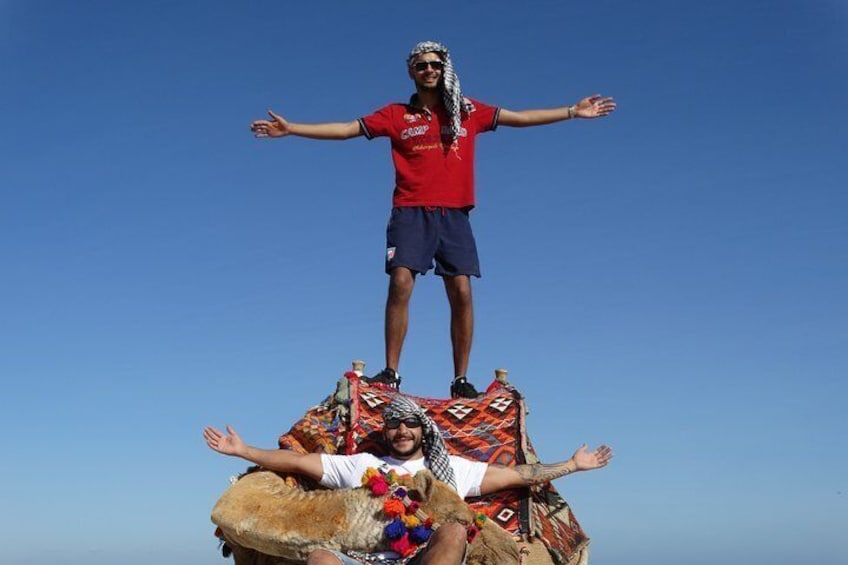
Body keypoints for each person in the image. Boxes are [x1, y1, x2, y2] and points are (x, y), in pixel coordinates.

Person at [249, 41, 616, 398]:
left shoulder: (467, 111)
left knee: (461, 291)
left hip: (454, 214)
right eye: (422, 65)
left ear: (446, 70)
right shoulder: (396, 115)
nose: (429, 70)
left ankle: (460, 380)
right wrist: (292, 128)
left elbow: (518, 118)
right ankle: (391, 373)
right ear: (411, 71)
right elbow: (347, 129)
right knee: (401, 282)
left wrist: (572, 110)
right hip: (410, 211)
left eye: (436, 65)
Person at [204, 396, 613, 565]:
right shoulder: (359, 464)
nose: (402, 431)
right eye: (394, 425)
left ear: (423, 430)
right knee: (319, 558)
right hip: (363, 557)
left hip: (420, 557)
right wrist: (243, 451)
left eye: (409, 425)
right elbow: (297, 461)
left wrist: (573, 465)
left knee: (454, 529)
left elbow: (520, 475)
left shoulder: (449, 470)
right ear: (386, 431)